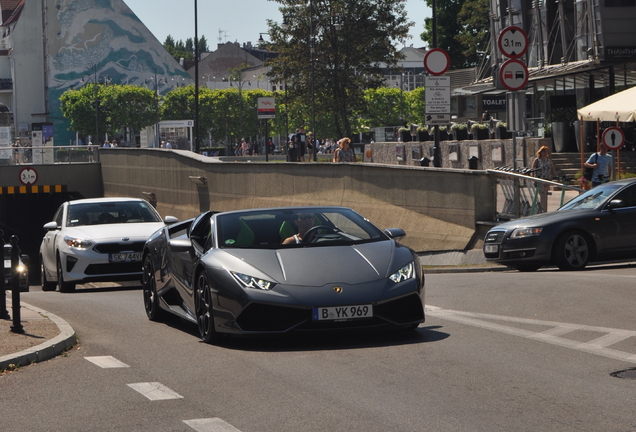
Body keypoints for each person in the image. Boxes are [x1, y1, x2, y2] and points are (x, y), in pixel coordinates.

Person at [531, 145, 558, 213]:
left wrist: (557, 177)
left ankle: (544, 208)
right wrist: (533, 179)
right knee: (542, 194)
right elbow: (533, 170)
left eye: (547, 151)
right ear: (540, 152)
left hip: (547, 180)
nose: (545, 153)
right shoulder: (537, 160)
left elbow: (553, 170)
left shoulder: (549, 161)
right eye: (544, 151)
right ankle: (542, 209)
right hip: (539, 180)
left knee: (545, 195)